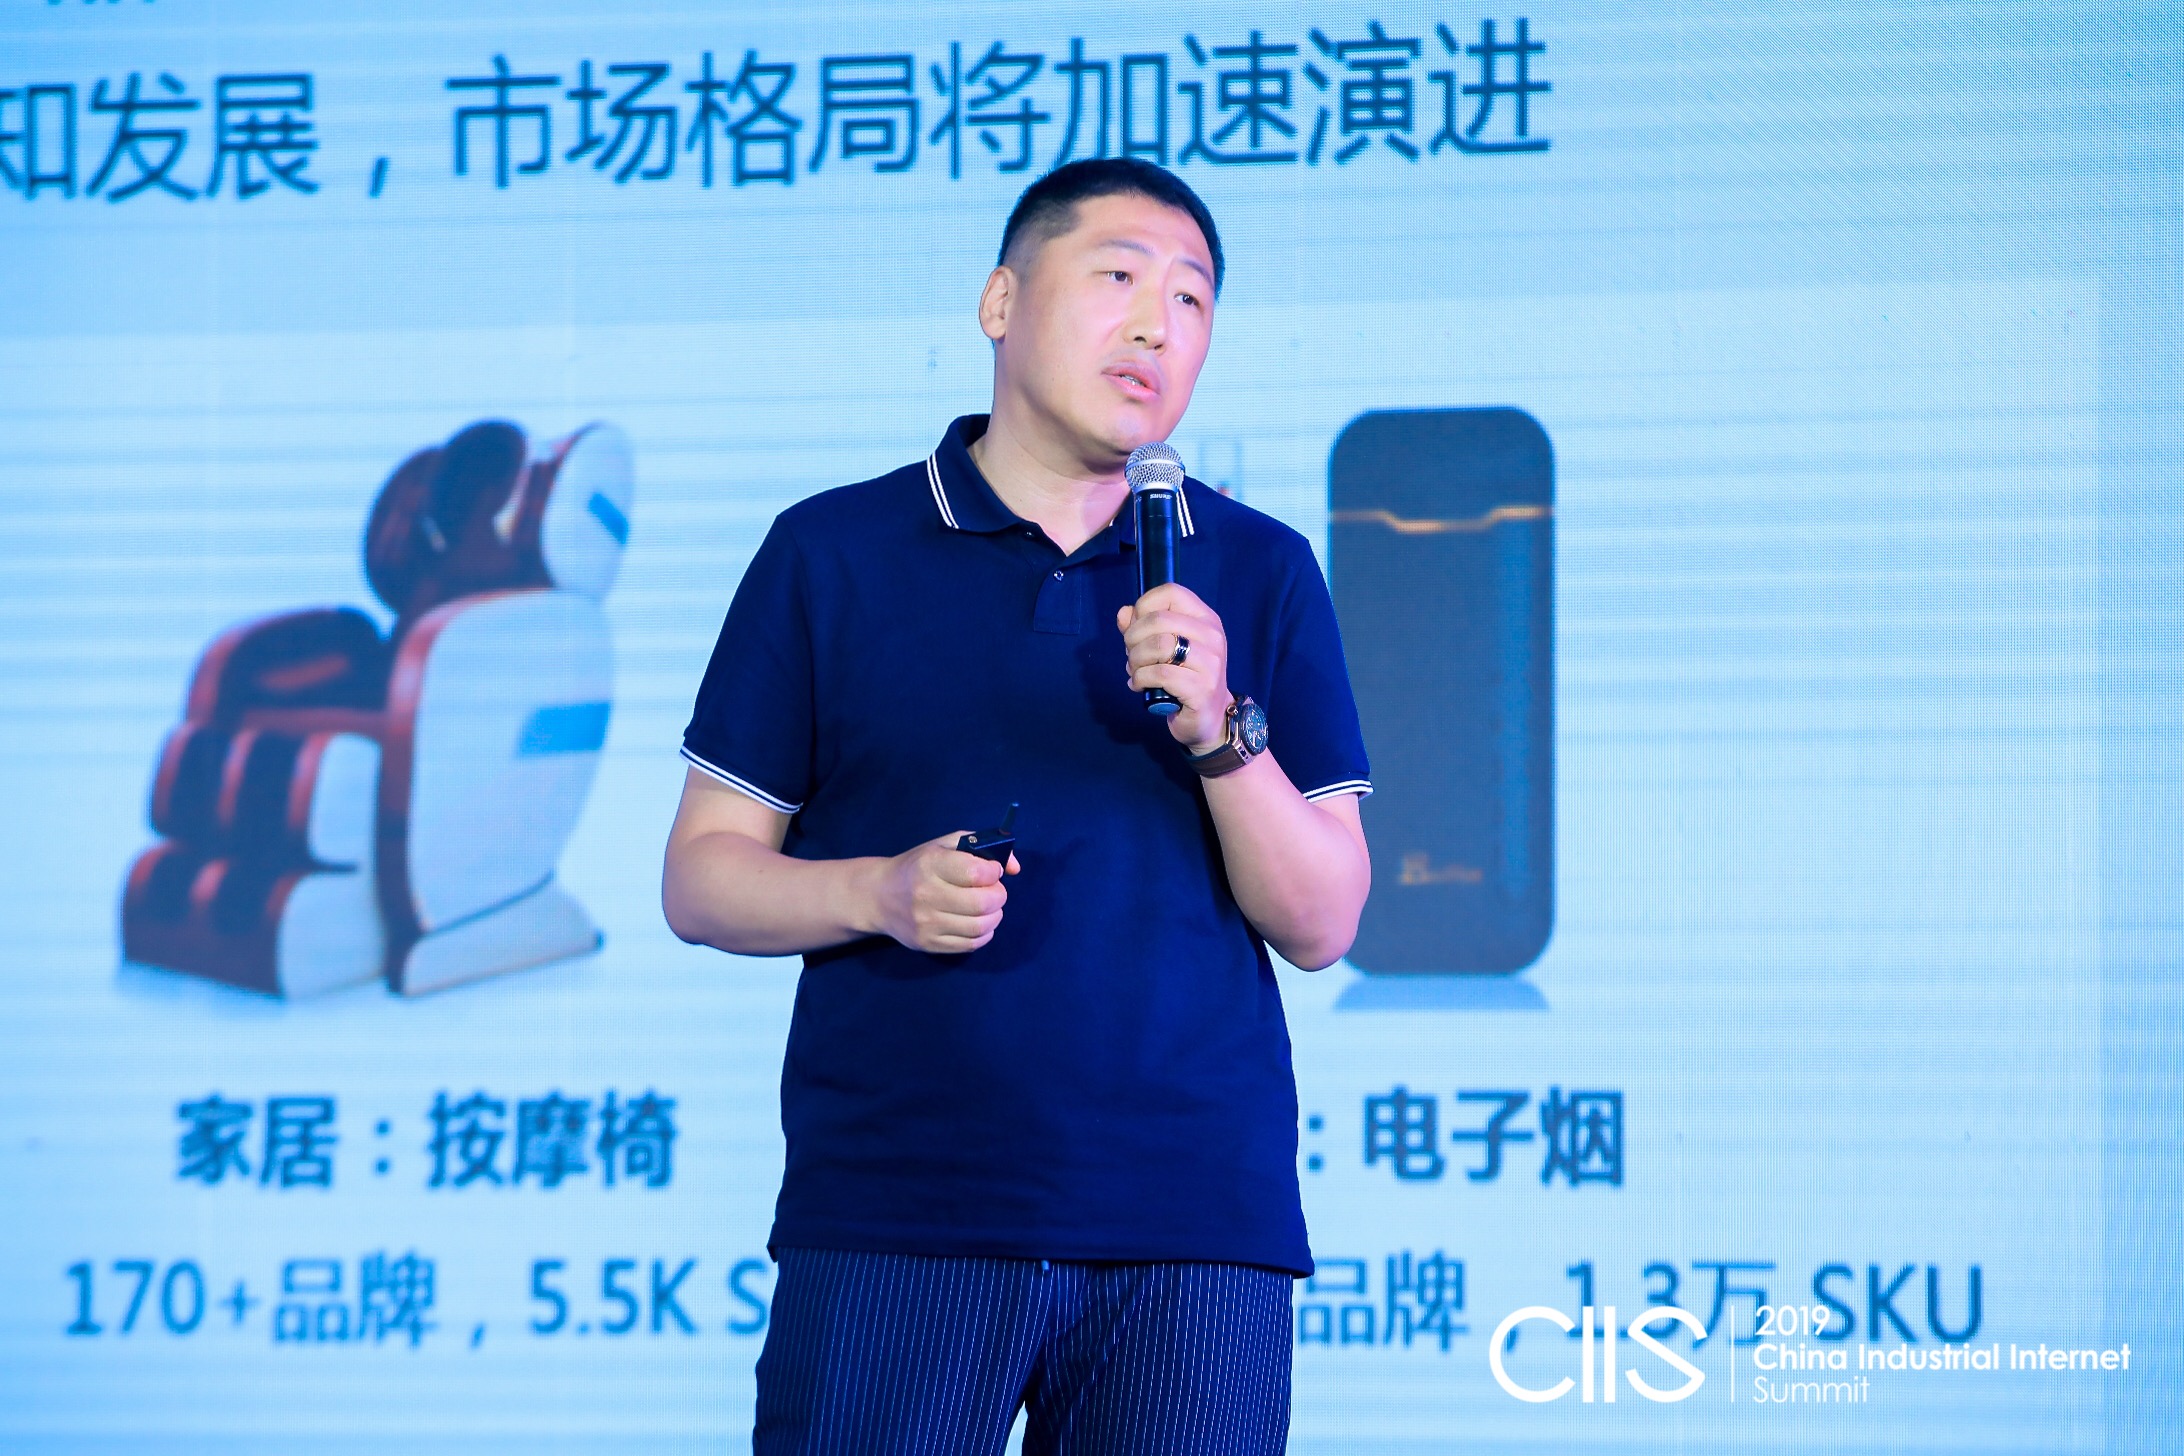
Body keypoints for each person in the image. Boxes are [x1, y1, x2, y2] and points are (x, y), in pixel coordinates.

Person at [663, 157, 1373, 1456]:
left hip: (1190, 1226)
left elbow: (1324, 920)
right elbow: (702, 876)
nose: (1157, 326)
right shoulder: (832, 552)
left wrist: (1220, 734)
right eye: (1118, 278)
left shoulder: (1262, 569)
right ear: (1001, 301)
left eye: (1192, 300)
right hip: (901, 1214)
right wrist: (878, 891)